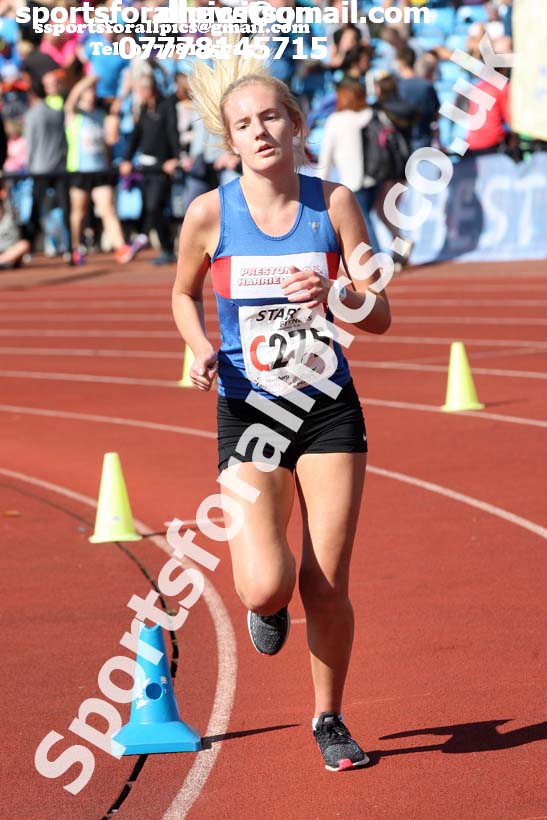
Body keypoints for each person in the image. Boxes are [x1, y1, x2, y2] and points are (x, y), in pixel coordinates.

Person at [172, 53, 391, 771]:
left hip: (327, 407)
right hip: (250, 412)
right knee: (267, 583)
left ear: (298, 124)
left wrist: (334, 295)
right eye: (244, 123)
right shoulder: (209, 213)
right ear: (228, 140)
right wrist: (201, 344)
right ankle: (265, 608)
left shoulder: (333, 203)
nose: (260, 130)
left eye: (271, 116)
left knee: (326, 580)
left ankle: (328, 717)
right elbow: (181, 293)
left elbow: (380, 311)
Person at [64, 74, 131, 265]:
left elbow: (108, 141)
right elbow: (72, 97)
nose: (91, 93)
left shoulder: (100, 115)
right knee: (79, 211)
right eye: (88, 90)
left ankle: (121, 247)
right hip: (80, 169)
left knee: (107, 208)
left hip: (99, 169)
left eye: (93, 90)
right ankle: (74, 248)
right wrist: (90, 78)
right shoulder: (74, 114)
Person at [119, 75, 180, 265]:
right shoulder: (144, 110)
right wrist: (127, 159)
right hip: (146, 168)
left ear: (149, 89)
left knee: (156, 206)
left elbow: (172, 132)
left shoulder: (166, 106)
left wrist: (175, 158)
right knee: (151, 208)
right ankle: (162, 246)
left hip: (163, 167)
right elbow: (136, 136)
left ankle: (158, 244)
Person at [318, 79, 383, 254]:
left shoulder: (336, 120)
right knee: (371, 217)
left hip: (353, 179)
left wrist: (320, 183)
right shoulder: (371, 114)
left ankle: (376, 257)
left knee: (363, 221)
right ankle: (398, 247)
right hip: (376, 175)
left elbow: (326, 155)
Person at [395, 46, 440, 151]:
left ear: (399, 62)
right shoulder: (426, 86)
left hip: (403, 143)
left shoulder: (396, 87)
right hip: (422, 142)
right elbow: (436, 114)